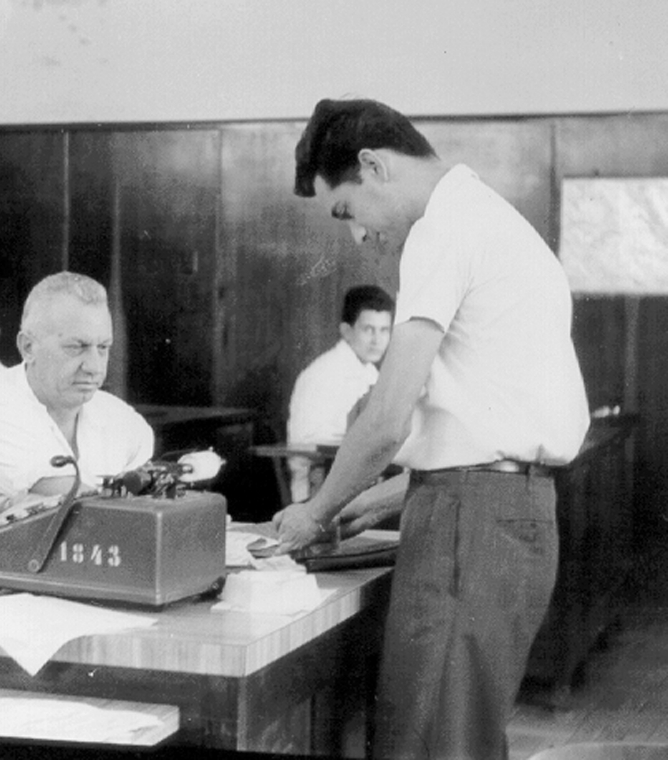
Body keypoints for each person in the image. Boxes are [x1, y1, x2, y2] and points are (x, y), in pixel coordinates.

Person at [274, 98, 590, 760]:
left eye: (347, 212)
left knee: (424, 744)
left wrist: (317, 509)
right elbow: (482, 434)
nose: (358, 237)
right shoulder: (494, 221)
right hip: (505, 513)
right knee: (461, 737)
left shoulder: (443, 230)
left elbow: (389, 417)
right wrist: (368, 502)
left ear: (373, 166)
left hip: (470, 527)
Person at [0, 272, 154, 516]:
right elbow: (82, 506)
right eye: (76, 347)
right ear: (28, 347)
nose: (95, 367)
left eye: (103, 348)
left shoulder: (120, 418)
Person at [286, 284, 394, 501]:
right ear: (346, 331)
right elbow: (307, 442)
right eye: (368, 329)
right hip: (319, 486)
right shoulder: (323, 373)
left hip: (358, 478)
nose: (377, 340)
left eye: (384, 330)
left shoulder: (370, 371)